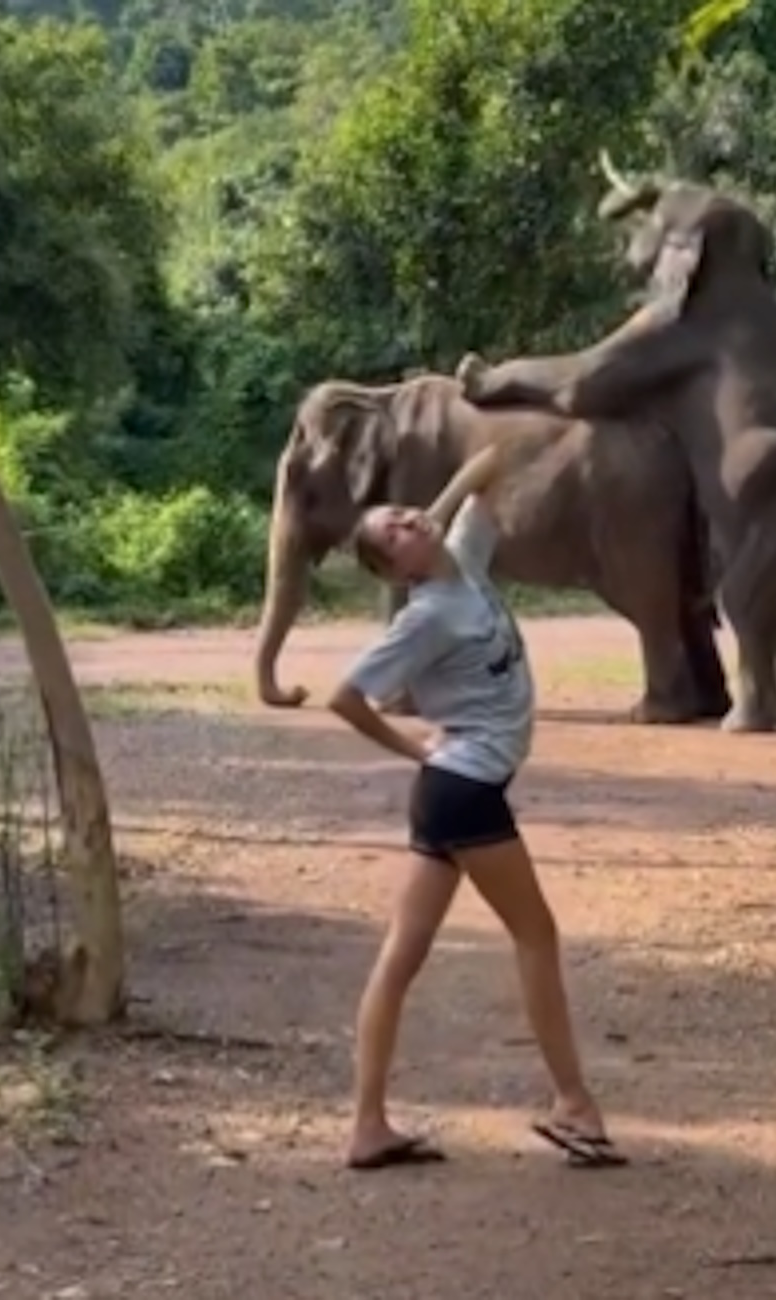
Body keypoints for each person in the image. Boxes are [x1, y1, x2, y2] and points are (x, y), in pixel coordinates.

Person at [325, 445, 626, 1172]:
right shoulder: (425, 615)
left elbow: (495, 459)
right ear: (397, 571)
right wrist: (415, 752)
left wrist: (441, 501)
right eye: (391, 533)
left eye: (401, 514)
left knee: (404, 952)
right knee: (535, 935)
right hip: (462, 787)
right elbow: (345, 697)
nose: (404, 523)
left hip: (453, 792)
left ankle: (368, 1127)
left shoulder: (465, 553)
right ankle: (574, 1104)